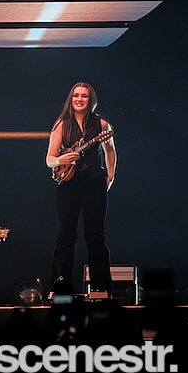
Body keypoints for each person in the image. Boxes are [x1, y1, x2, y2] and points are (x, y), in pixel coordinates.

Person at [45, 81, 117, 299]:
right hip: (68, 185)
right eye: (76, 95)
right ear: (71, 98)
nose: (79, 99)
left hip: (94, 182)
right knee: (65, 235)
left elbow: (110, 151)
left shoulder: (102, 124)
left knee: (95, 236)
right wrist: (61, 159)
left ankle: (101, 289)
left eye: (84, 96)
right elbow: (49, 159)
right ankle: (60, 288)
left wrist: (110, 175)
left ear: (91, 99)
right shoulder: (62, 124)